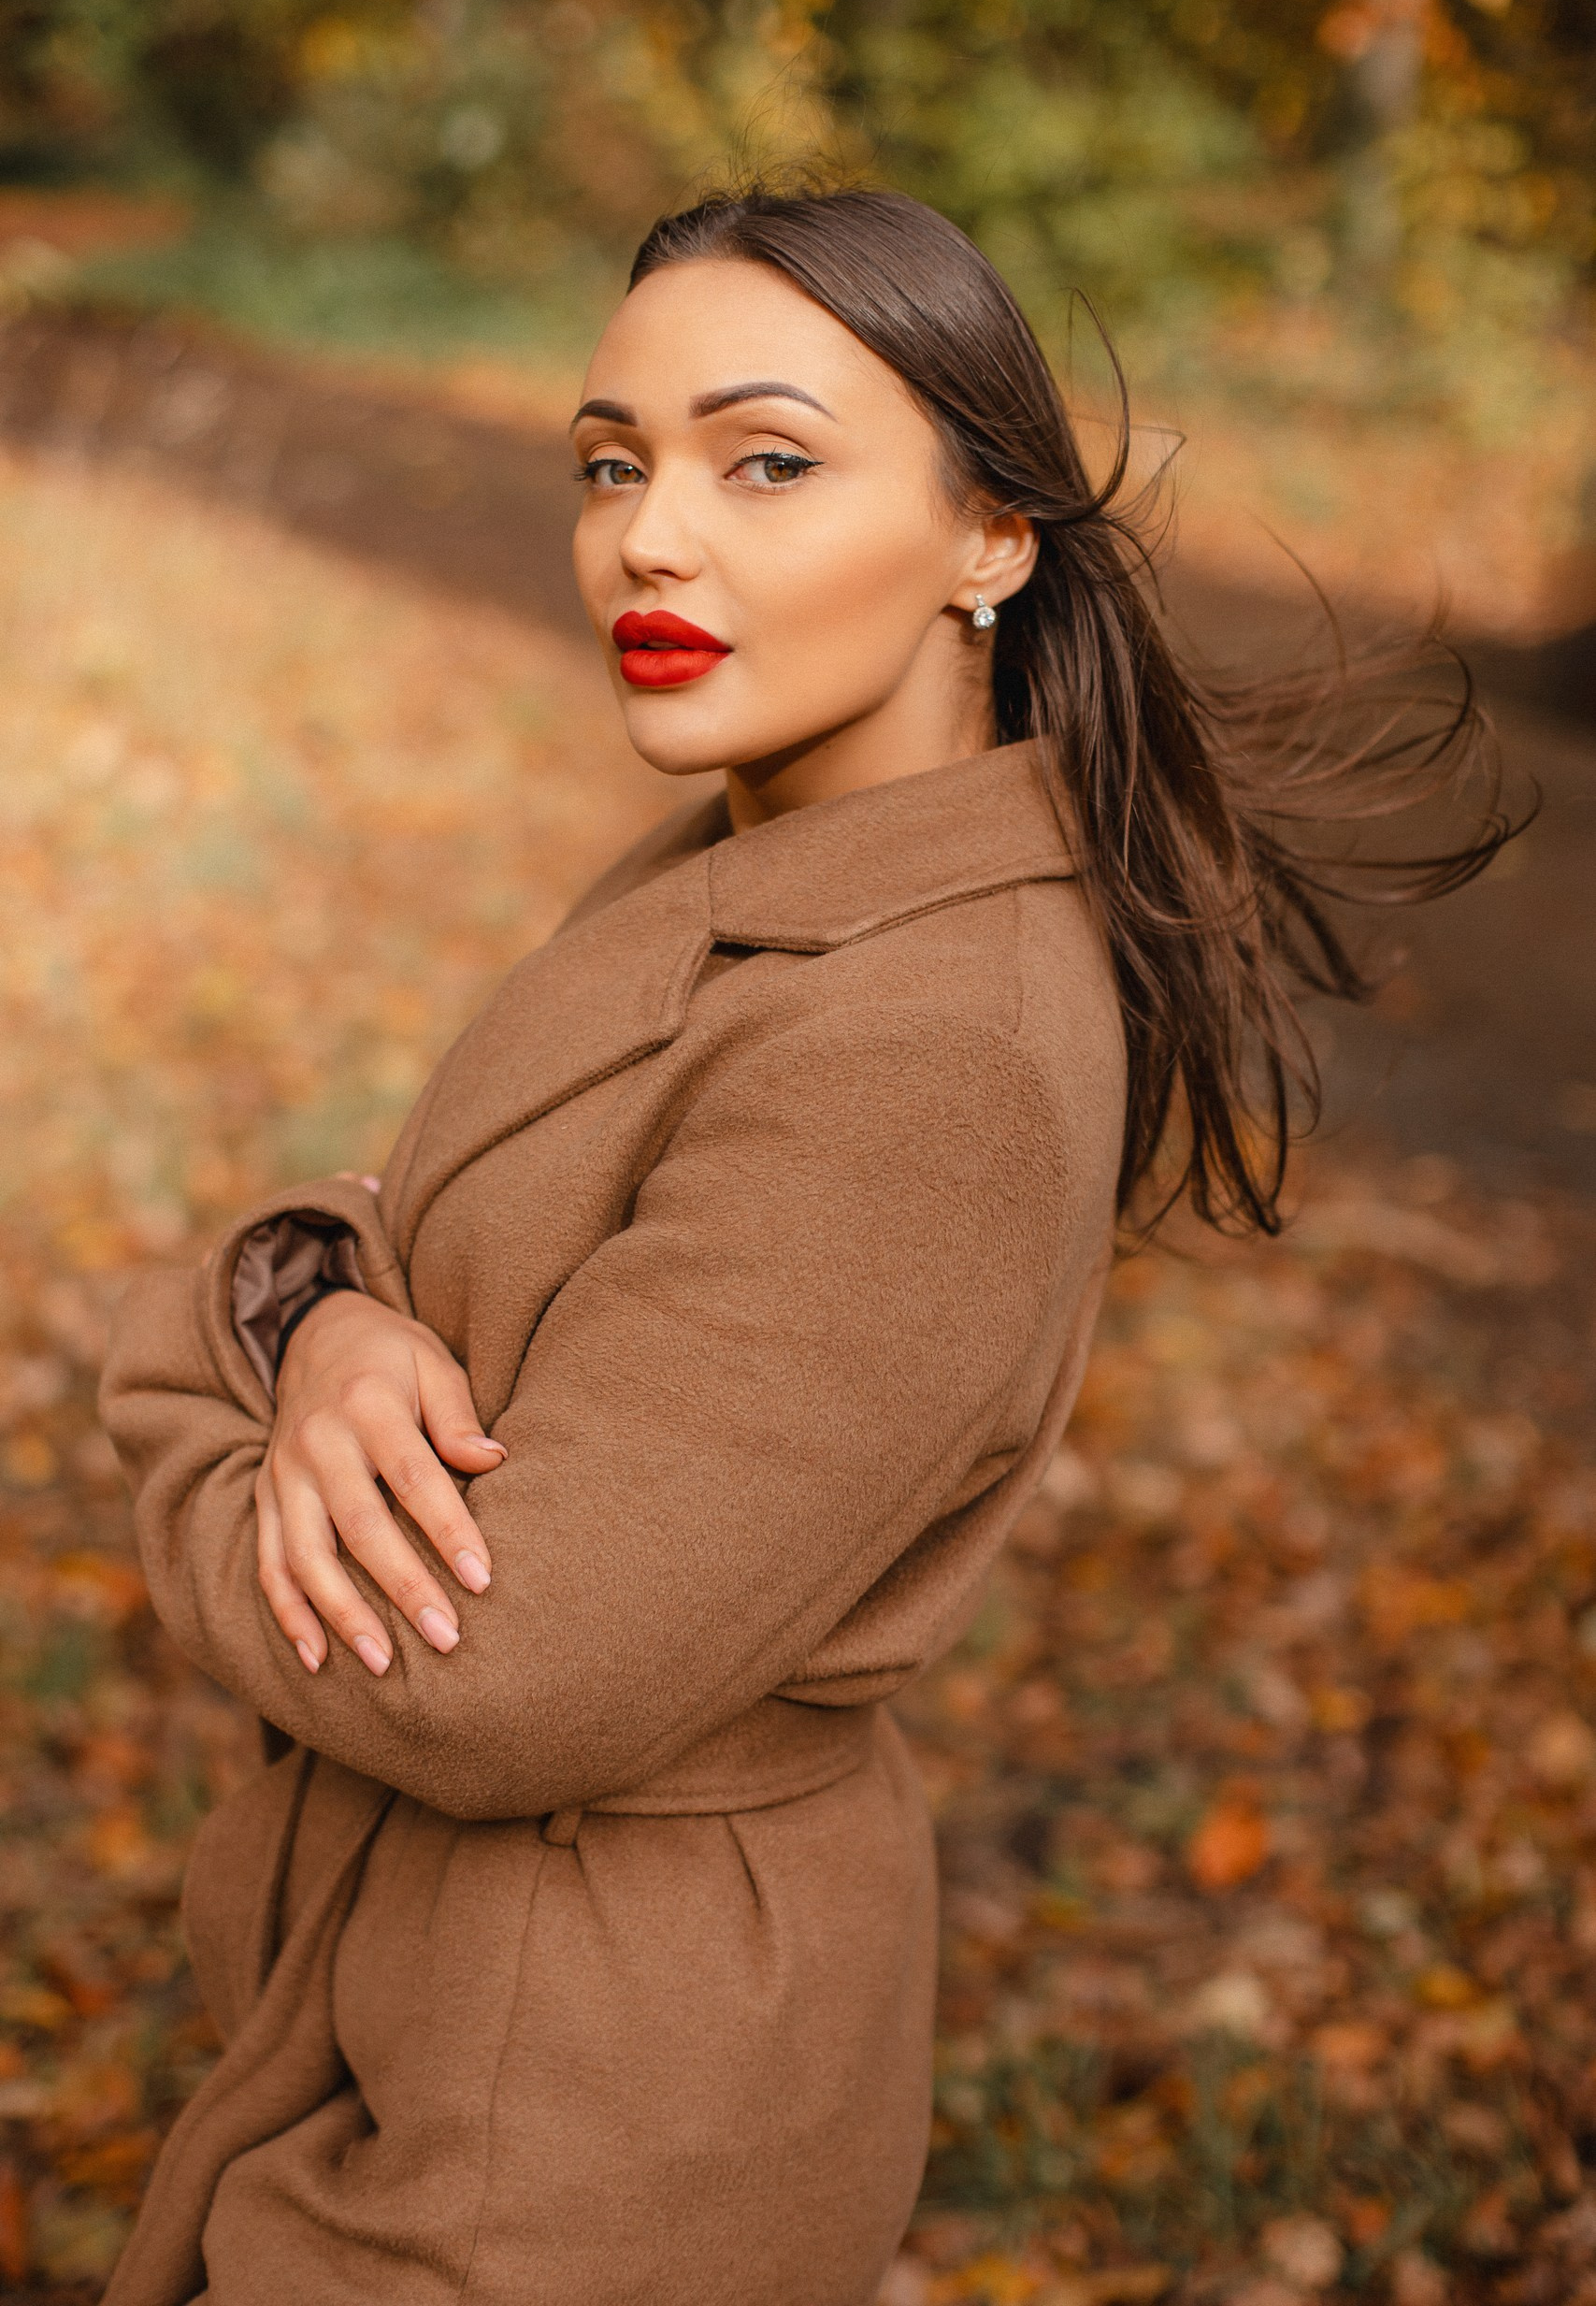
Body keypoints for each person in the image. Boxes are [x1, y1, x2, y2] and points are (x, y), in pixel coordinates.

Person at [98, 185, 1505, 2306]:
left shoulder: (923, 1045)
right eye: (610, 461)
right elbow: (448, 1247)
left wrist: (191, 1414)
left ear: (986, 538)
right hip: (461, 2024)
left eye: (765, 461)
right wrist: (319, 1327)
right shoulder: (773, 855)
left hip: (564, 2122)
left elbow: (489, 1667)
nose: (651, 538)